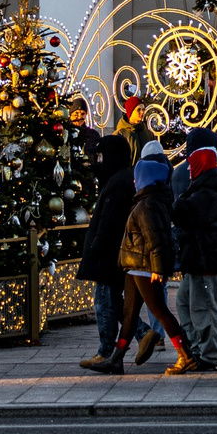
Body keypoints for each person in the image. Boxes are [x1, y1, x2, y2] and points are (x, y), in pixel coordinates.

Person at [80, 152, 190, 374]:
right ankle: (117, 358)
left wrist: (158, 269)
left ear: (145, 179)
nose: (133, 181)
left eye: (137, 177)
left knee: (159, 311)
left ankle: (185, 354)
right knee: (129, 313)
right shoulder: (146, 201)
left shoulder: (147, 204)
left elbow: (156, 238)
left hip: (144, 268)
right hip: (135, 266)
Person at [173, 130, 217, 371]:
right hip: (198, 258)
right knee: (186, 302)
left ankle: (212, 355)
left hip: (204, 259)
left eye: (192, 162)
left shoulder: (208, 191)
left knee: (204, 306)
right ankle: (200, 348)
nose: (189, 167)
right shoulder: (213, 186)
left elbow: (187, 214)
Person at [78, 135, 145, 369]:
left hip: (108, 255)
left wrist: (97, 246)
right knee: (115, 303)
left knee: (105, 303)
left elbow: (110, 221)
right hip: (110, 253)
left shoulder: (118, 182)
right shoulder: (117, 180)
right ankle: (144, 334)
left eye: (101, 156)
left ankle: (106, 351)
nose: (98, 161)